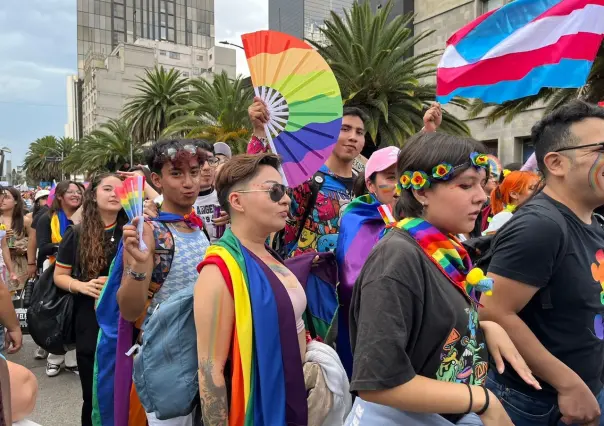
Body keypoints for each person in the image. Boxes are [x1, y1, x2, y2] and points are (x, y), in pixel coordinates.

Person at [346, 132, 540, 425]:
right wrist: (482, 400)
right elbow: (378, 382)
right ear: (422, 192)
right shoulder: (397, 257)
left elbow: (428, 323)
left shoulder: (445, 249)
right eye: (465, 185)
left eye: (481, 183)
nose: (482, 195)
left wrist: (484, 327)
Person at [480, 100, 604, 426]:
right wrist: (567, 383)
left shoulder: (595, 222)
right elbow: (493, 310)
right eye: (601, 149)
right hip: (537, 404)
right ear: (556, 163)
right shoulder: (541, 226)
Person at [195, 153, 310, 425]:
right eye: (274, 191)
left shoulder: (268, 253)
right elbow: (210, 374)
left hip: (290, 398)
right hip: (257, 411)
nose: (286, 199)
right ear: (237, 201)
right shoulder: (219, 271)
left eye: (285, 190)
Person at [248, 98, 443, 258]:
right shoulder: (305, 178)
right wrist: (259, 132)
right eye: (345, 129)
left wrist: (426, 132)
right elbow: (260, 184)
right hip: (309, 289)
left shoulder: (369, 184)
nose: (353, 137)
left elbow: (403, 166)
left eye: (359, 132)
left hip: (355, 291)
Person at [118, 140, 211, 426]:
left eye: (194, 172)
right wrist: (137, 266)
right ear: (156, 180)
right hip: (166, 359)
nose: (189, 182)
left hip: (203, 353)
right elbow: (130, 310)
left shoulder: (198, 226)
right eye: (177, 174)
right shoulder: (147, 231)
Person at [52, 174, 126, 426]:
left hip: (127, 318)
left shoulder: (135, 230)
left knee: (126, 390)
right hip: (90, 321)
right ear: (93, 195)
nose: (115, 193)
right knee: (93, 392)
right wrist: (82, 285)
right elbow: (59, 276)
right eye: (107, 188)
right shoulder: (78, 232)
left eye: (121, 189)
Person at [335, 146, 399, 377]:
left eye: (405, 176)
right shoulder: (359, 217)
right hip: (366, 326)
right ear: (371, 184)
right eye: (390, 177)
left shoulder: (417, 216)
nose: (399, 184)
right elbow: (352, 281)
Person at [35, 180, 82, 375]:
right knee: (56, 313)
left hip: (81, 271)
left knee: (76, 314)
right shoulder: (47, 218)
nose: (76, 195)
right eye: (70, 192)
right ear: (60, 196)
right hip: (55, 270)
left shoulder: (88, 216)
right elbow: (43, 246)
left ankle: (72, 359)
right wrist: (66, 245)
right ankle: (54, 357)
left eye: (78, 191)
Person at [191, 140, 229, 242]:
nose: (207, 168)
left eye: (211, 161)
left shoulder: (227, 197)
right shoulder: (176, 201)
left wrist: (235, 216)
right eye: (201, 162)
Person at [0, 187, 36, 289]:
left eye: (6, 197)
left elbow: (33, 242)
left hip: (20, 264)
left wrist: (22, 247)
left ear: (16, 201)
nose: (2, 200)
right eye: (1, 197)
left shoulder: (26, 221)